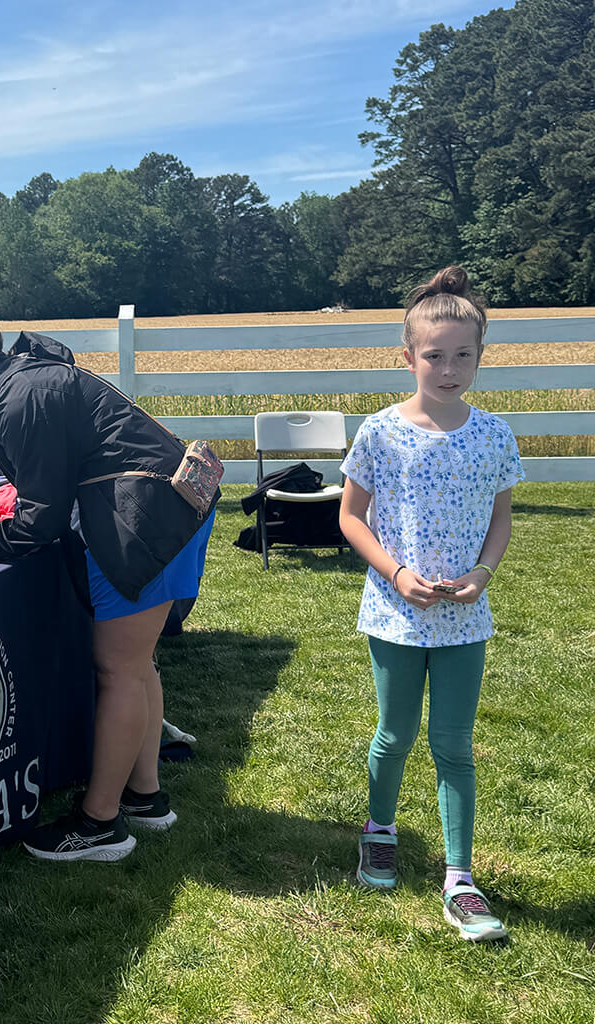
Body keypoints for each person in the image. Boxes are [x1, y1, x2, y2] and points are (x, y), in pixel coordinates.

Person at [0, 301, 218, 862]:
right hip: (174, 504)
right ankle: (145, 797)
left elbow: (40, 517)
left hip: (146, 519)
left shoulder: (19, 396)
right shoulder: (26, 377)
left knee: (118, 669)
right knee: (137, 664)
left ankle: (100, 825)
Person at [338, 266, 524, 942]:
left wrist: (482, 572)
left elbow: (502, 518)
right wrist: (395, 572)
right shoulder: (380, 432)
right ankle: (379, 830)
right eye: (435, 355)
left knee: (454, 744)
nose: (449, 368)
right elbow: (351, 518)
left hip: (463, 617)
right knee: (395, 734)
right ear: (408, 356)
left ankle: (459, 877)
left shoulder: (495, 435)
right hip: (395, 612)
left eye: (463, 355)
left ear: (480, 355)